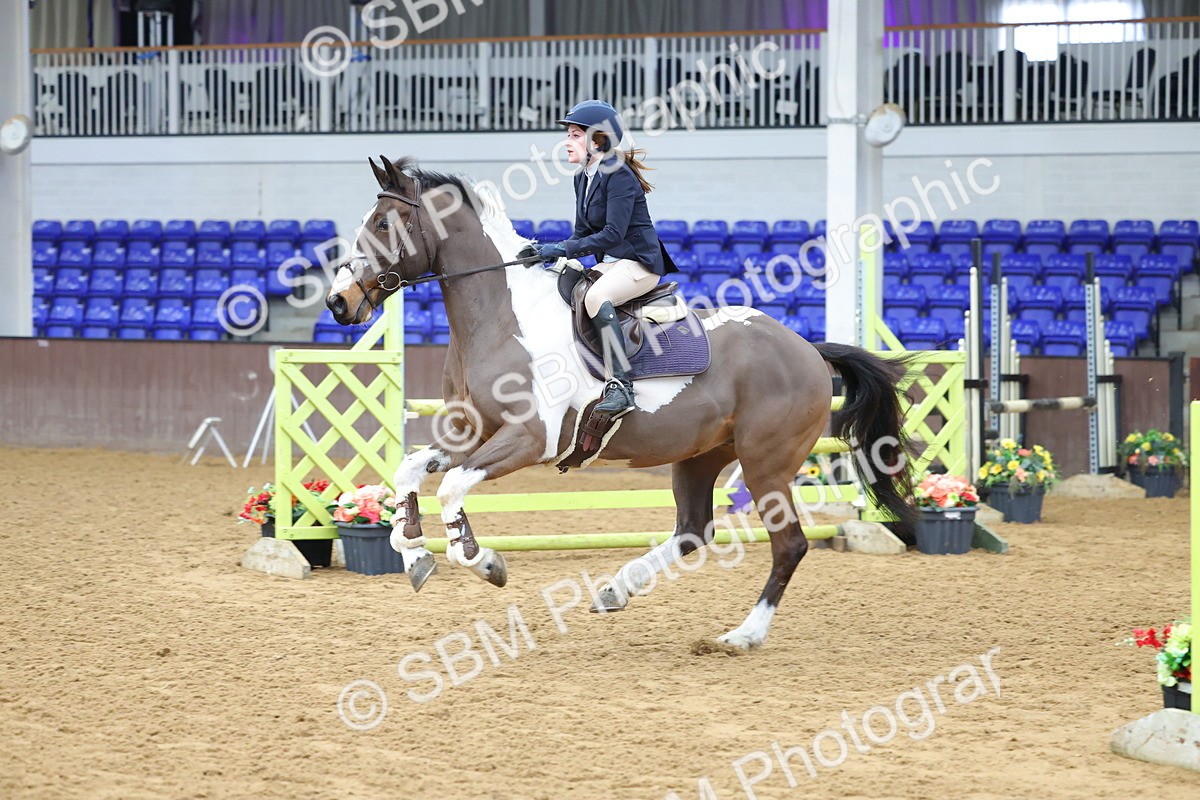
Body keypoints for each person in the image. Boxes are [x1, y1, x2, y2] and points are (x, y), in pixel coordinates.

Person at [537, 100, 677, 417]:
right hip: (610, 264)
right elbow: (581, 232)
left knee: (597, 297)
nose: (567, 142)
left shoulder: (618, 174)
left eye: (575, 135)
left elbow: (613, 234)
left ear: (598, 140)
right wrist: (544, 253)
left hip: (639, 264)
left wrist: (561, 249)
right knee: (562, 284)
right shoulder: (582, 177)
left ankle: (621, 386)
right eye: (569, 135)